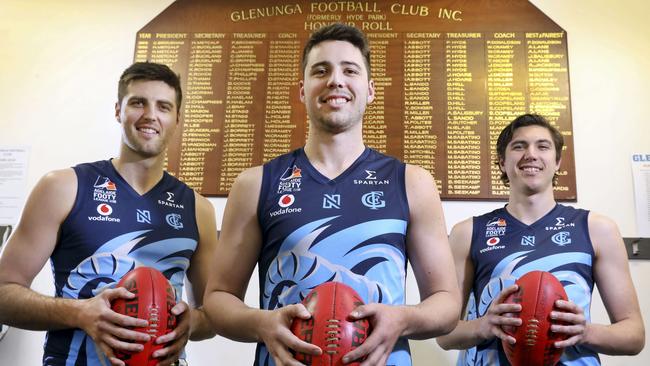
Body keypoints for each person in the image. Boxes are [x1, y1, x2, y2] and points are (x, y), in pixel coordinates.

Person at [202, 23, 461, 366]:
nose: (335, 80)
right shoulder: (256, 183)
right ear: (302, 89)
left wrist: (404, 318)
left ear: (370, 90)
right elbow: (218, 298)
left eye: (349, 70)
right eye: (320, 71)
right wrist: (261, 322)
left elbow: (446, 303)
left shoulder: (412, 182)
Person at [0, 62, 217, 365]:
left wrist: (192, 322)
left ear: (177, 118)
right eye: (137, 103)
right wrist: (80, 312)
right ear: (118, 110)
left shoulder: (199, 209)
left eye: (163, 106)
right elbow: (3, 293)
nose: (150, 115)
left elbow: (212, 312)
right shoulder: (63, 187)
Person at [436, 113, 645, 364]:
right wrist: (483, 326)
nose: (531, 154)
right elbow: (444, 334)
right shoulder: (467, 232)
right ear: (502, 161)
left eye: (542, 146)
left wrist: (586, 331)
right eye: (519, 146)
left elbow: (634, 335)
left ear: (557, 161)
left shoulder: (597, 229)